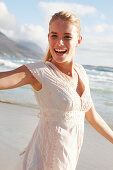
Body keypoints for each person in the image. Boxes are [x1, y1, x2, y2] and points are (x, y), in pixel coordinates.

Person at [0, 11, 113, 170]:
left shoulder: (81, 72)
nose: (59, 42)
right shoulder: (40, 72)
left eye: (67, 37)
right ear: (48, 38)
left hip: (67, 161)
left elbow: (92, 116)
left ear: (78, 41)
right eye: (54, 35)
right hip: (44, 161)